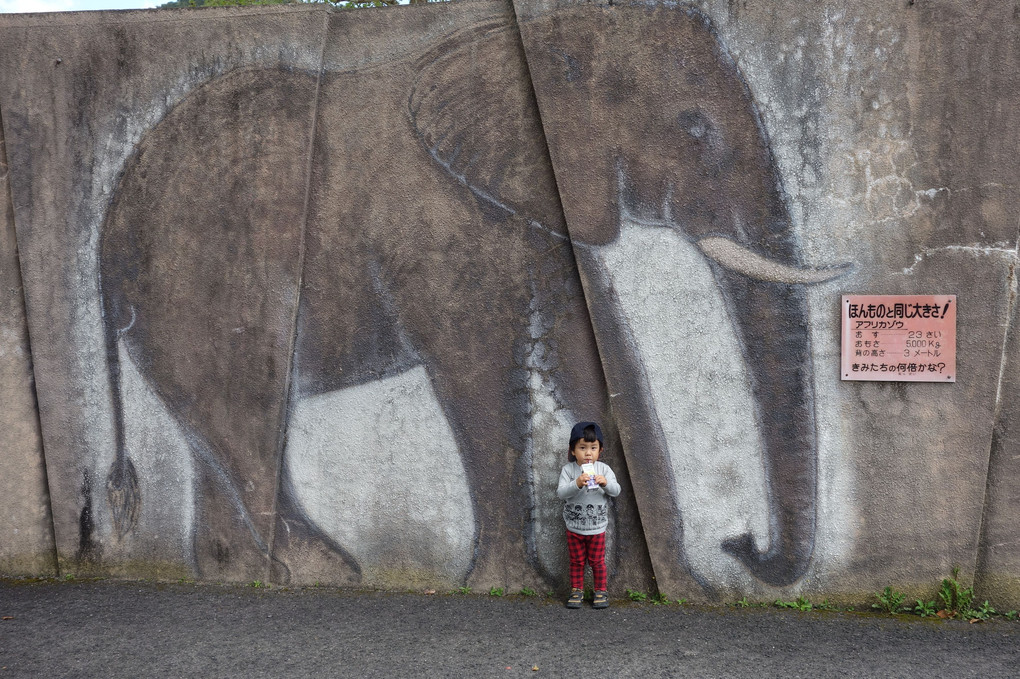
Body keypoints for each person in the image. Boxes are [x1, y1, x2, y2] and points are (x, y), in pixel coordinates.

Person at [557, 421, 621, 609]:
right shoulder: (569, 470)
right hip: (574, 527)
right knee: (576, 561)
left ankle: (600, 591)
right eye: (582, 447)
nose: (587, 453)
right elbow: (561, 493)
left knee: (597, 562)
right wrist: (576, 483)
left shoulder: (604, 469)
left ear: (600, 450)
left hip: (597, 527)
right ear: (572, 450)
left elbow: (616, 490)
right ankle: (576, 590)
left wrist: (605, 483)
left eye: (593, 448)